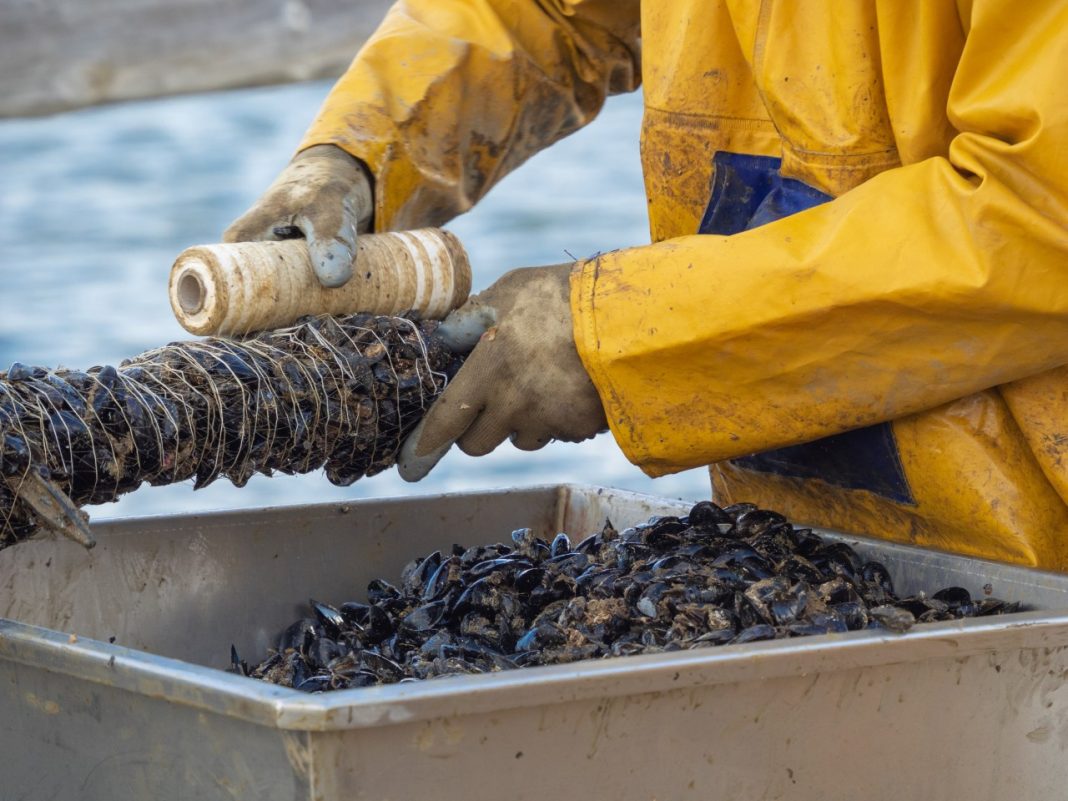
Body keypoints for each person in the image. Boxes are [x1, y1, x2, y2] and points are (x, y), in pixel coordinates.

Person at [225, 1, 1068, 570]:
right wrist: (356, 157)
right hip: (785, 550)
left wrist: (612, 338)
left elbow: (1037, 223)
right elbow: (549, 14)